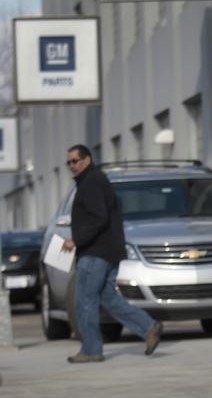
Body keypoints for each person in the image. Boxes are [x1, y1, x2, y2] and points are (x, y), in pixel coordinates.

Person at [61, 144, 162, 363]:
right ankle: (148, 327)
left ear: (87, 160)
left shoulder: (92, 183)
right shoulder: (95, 181)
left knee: (84, 301)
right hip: (108, 252)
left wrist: (76, 240)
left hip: (95, 254)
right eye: (68, 162)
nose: (71, 166)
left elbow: (99, 218)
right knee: (108, 298)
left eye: (75, 161)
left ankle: (91, 349)